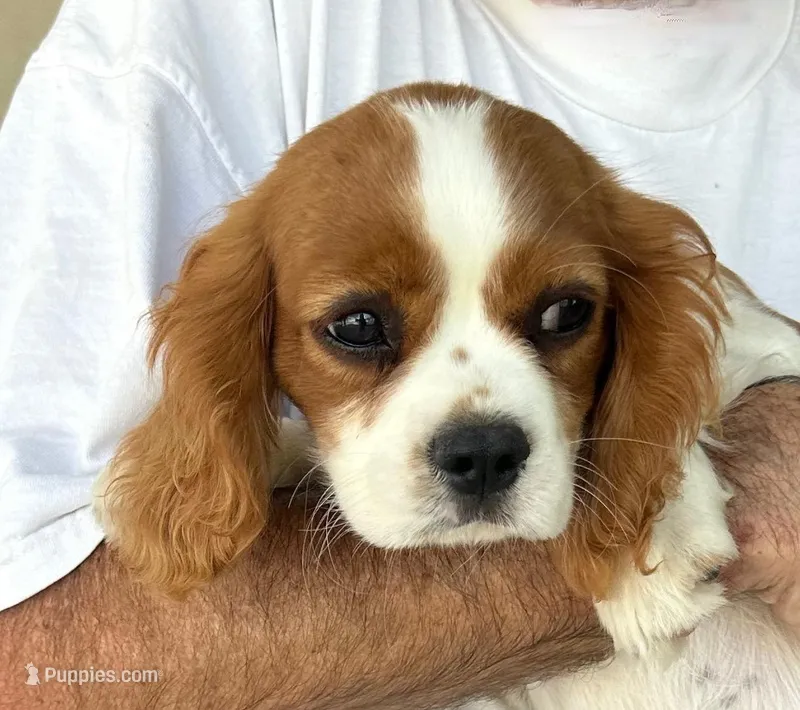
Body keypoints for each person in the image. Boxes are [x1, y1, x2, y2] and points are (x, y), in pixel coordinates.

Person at [0, 0, 798, 707]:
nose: (481, 426)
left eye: (559, 316)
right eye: (359, 331)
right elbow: (34, 669)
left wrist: (663, 469)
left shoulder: (687, 313)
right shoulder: (207, 27)